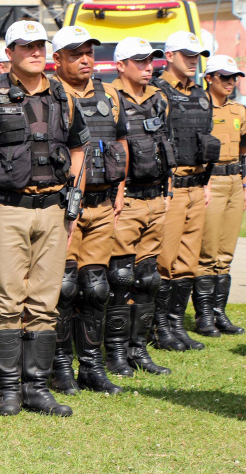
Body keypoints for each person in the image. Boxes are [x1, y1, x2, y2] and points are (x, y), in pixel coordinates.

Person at [0, 20, 88, 417]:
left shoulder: (63, 96)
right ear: (9, 53)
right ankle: (9, 390)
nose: (36, 52)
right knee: (8, 300)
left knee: (46, 303)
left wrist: (72, 204)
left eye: (40, 46)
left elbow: (80, 148)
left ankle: (37, 389)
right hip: (5, 211)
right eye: (25, 46)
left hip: (51, 210)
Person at [47, 26, 125, 395]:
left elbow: (120, 141)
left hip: (103, 203)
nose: (85, 59)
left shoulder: (110, 94)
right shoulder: (49, 96)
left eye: (89, 53)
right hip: (64, 209)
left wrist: (120, 190)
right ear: (57, 58)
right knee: (62, 288)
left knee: (96, 288)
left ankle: (91, 367)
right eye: (75, 53)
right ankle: (60, 367)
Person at [105, 37, 173, 376]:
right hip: (126, 199)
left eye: (152, 61)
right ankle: (114, 352)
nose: (149, 66)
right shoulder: (109, 97)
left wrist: (168, 191)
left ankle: (138, 348)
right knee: (119, 277)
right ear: (121, 65)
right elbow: (110, 150)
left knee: (148, 278)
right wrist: (115, 193)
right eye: (140, 61)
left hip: (155, 198)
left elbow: (165, 146)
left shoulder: (160, 98)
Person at [152, 31, 217, 350]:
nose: (194, 60)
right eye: (187, 54)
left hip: (196, 185)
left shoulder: (201, 94)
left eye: (197, 55)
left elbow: (204, 141)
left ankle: (176, 324)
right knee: (164, 259)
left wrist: (204, 184)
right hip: (171, 185)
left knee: (189, 260)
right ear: (169, 55)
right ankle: (159, 327)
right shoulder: (157, 92)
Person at [196, 55, 246, 335]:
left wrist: (244, 183)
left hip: (234, 181)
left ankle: (219, 313)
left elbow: (244, 150)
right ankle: (204, 316)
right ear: (209, 78)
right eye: (224, 76)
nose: (230, 82)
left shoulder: (239, 111)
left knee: (226, 252)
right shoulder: (200, 109)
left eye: (234, 77)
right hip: (210, 181)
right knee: (207, 251)